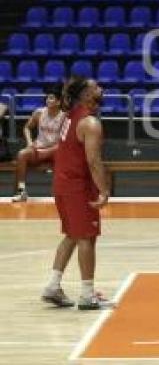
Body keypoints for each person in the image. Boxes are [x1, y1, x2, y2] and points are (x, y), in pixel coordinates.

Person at [41, 76, 113, 310]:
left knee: (72, 235)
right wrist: (104, 190)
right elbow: (93, 161)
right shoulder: (90, 122)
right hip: (78, 187)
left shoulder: (69, 116)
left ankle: (53, 286)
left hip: (62, 185)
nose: (101, 89)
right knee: (86, 238)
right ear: (85, 95)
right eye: (96, 87)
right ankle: (87, 294)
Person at [12, 85, 66, 202]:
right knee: (22, 154)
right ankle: (22, 191)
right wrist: (29, 142)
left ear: (58, 102)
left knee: (61, 151)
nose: (48, 100)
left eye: (51, 98)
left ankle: (63, 193)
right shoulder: (39, 113)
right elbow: (27, 127)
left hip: (55, 151)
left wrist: (46, 152)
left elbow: (63, 140)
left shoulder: (64, 117)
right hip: (38, 148)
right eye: (47, 98)